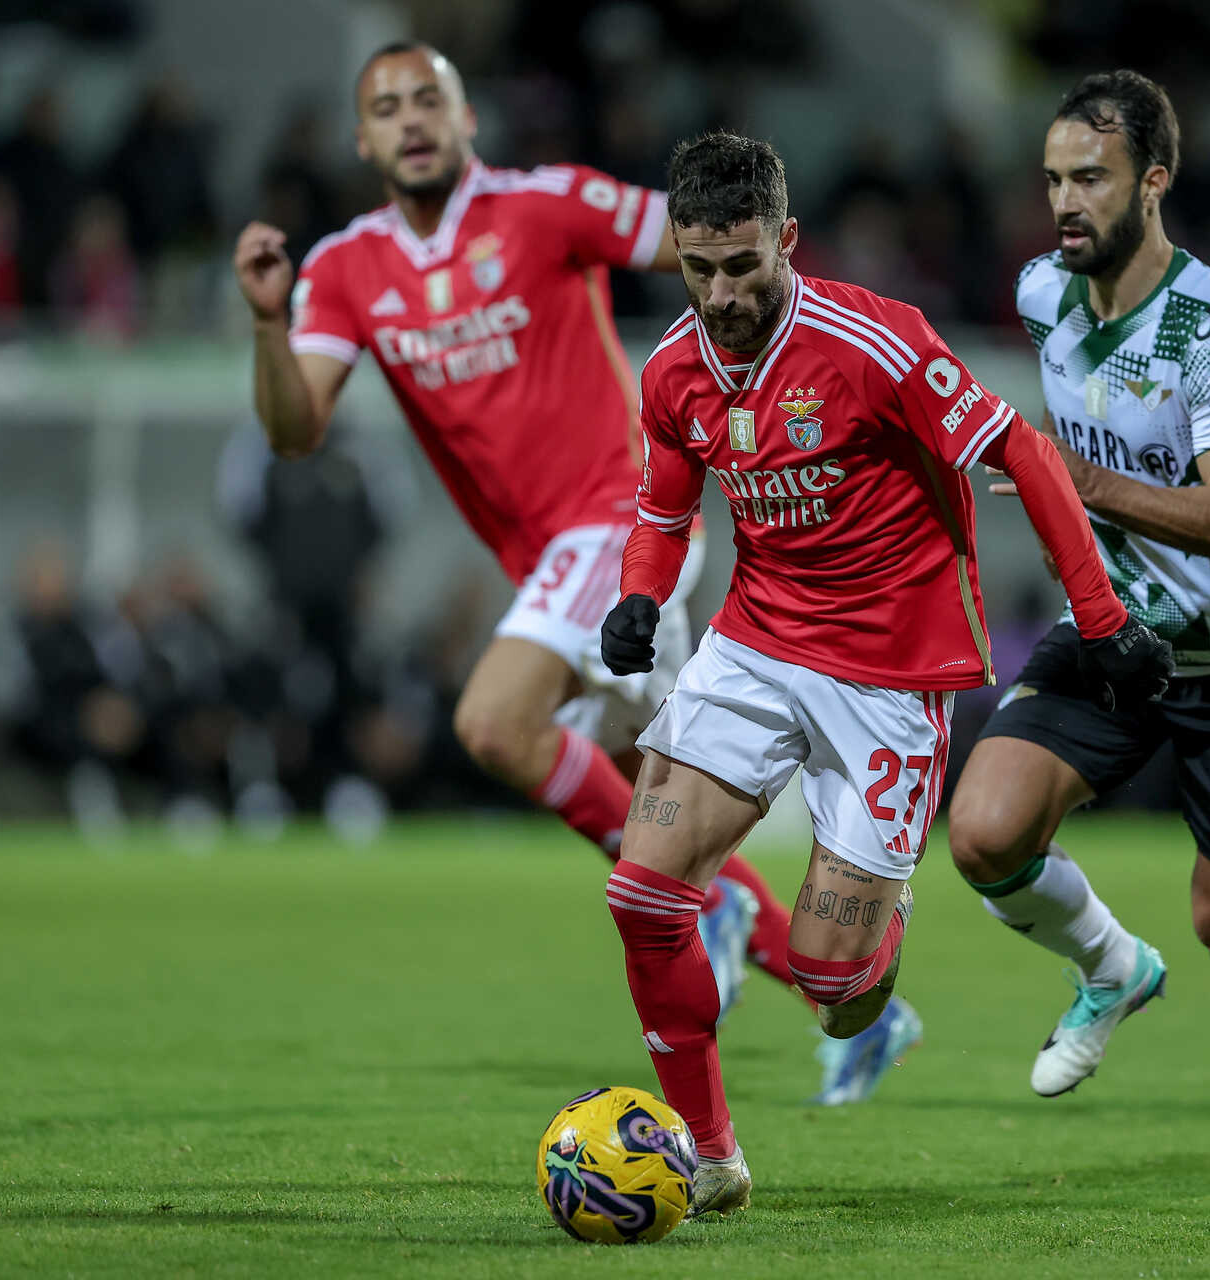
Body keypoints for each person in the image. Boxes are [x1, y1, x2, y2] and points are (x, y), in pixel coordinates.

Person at [598, 131, 1172, 1217]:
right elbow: (663, 510)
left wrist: (1102, 619)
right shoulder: (672, 369)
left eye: (743, 266)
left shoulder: (874, 343)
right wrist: (640, 594)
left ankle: (871, 925)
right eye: (699, 268)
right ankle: (711, 1156)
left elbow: (1026, 453)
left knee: (833, 993)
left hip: (889, 675)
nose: (721, 293)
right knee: (642, 893)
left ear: (788, 242)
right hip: (758, 642)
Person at [229, 43, 811, 1070]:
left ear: (468, 122)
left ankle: (705, 911)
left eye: (430, 101)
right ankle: (838, 987)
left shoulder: (547, 206)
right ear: (362, 139)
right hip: (546, 559)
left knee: (493, 721)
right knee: (658, 798)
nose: (411, 120)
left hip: (625, 521)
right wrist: (271, 325)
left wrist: (791, 378)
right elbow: (291, 429)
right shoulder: (346, 268)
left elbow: (711, 243)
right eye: (387, 108)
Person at [946, 71, 1210, 1191]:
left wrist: (1084, 483)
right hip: (1111, 633)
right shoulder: (1041, 296)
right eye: (1054, 177)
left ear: (1153, 181)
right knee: (983, 831)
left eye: (1091, 179)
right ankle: (1110, 965)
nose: (1065, 200)